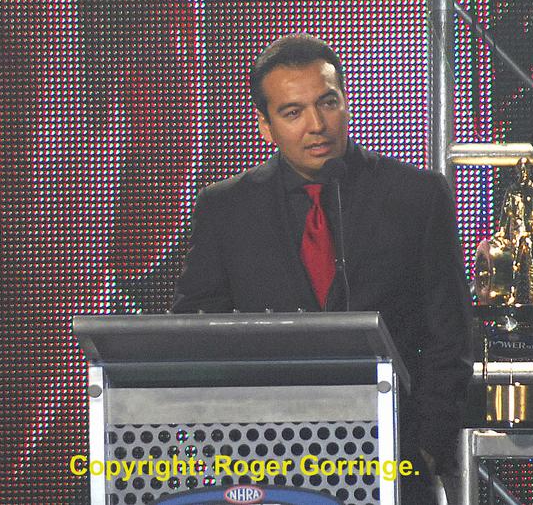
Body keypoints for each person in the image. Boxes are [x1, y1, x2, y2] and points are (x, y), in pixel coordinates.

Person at [174, 33, 471, 504]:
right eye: (293, 112)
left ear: (346, 102)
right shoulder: (227, 209)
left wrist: (428, 446)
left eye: (327, 103)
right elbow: (195, 334)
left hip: (393, 457)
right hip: (264, 462)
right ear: (266, 126)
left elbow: (449, 335)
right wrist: (220, 444)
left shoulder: (416, 196)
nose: (317, 125)